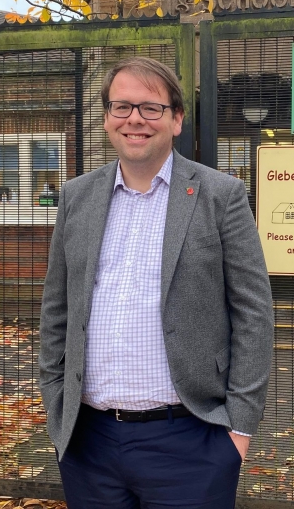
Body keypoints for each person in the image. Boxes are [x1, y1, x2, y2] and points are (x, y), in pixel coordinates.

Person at [38, 56, 274, 508]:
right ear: (107, 118)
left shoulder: (219, 195)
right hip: (88, 441)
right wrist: (56, 407)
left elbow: (254, 313)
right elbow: (57, 310)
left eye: (151, 108)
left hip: (190, 440)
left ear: (176, 119)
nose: (135, 120)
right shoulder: (76, 196)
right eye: (122, 106)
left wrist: (237, 432)